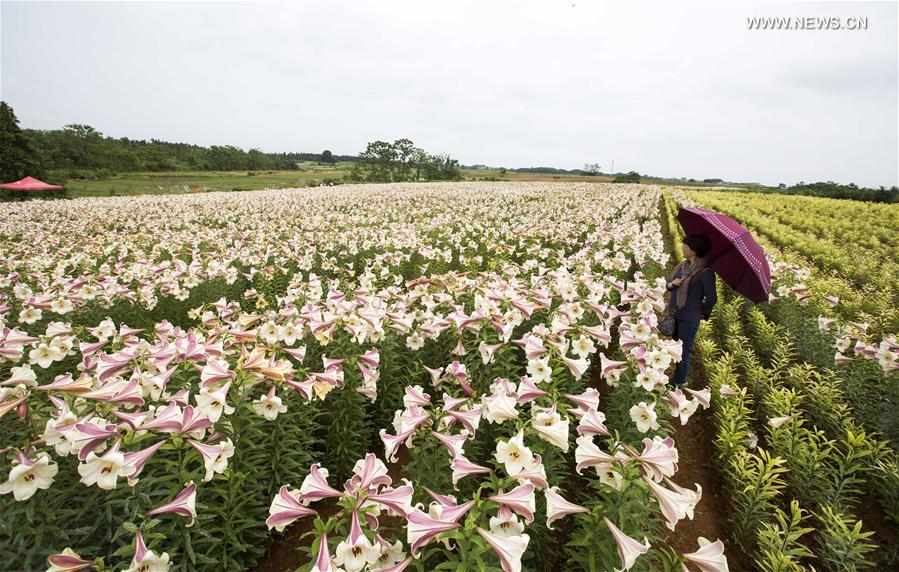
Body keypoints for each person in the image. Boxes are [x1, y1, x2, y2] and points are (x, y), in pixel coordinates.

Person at [665, 234, 717, 387]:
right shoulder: (682, 266)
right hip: (675, 312)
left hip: (689, 317)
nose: (682, 247)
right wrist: (672, 284)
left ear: (694, 250)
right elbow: (669, 283)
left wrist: (699, 312)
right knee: (676, 347)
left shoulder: (706, 272)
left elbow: (712, 298)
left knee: (683, 350)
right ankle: (676, 375)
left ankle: (679, 381)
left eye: (685, 245)